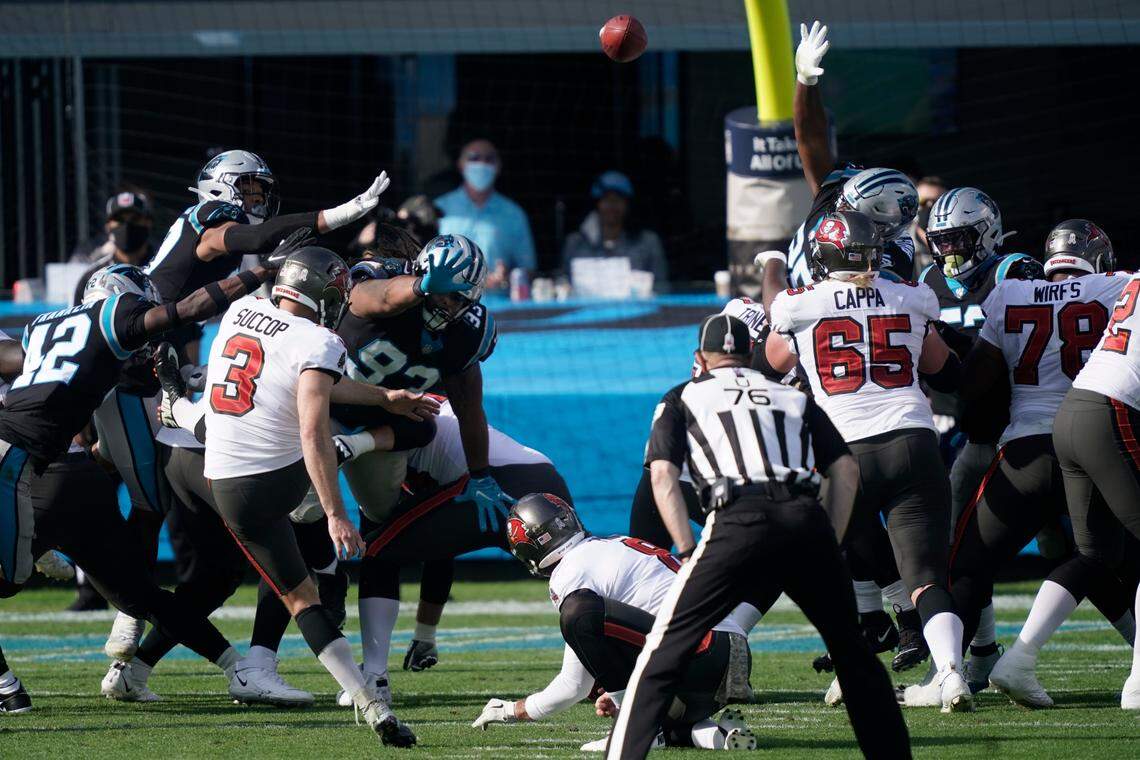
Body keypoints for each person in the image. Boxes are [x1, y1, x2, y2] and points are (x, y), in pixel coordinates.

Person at [606, 314, 910, 759]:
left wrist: (686, 548)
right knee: (853, 655)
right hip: (804, 517)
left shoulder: (683, 396)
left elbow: (662, 475)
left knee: (662, 655)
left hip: (738, 519)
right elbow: (845, 470)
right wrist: (830, 538)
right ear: (750, 355)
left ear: (700, 358)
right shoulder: (791, 395)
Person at [0, 256, 283, 698]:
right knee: (140, 589)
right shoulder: (109, 324)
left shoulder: (43, 328)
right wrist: (258, 273)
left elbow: (32, 378)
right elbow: (183, 313)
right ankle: (237, 667)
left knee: (27, 581)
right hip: (58, 471)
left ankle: (9, 683)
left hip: (36, 470)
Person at [200, 246, 417, 746]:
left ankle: (372, 708)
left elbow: (307, 380)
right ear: (324, 295)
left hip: (221, 478)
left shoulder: (241, 310)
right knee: (330, 452)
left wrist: (383, 397)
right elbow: (312, 428)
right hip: (272, 479)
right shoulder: (319, 339)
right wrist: (337, 513)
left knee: (303, 600)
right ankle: (326, 562)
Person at [765, 211, 972, 713]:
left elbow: (771, 364)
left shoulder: (798, 304)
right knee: (926, 574)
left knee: (833, 568)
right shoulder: (910, 296)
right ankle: (951, 673)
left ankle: (854, 665)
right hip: (912, 440)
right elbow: (943, 371)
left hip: (844, 452)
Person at [947, 219, 1135, 695]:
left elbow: (973, 384)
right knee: (1103, 556)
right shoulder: (1118, 286)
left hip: (1025, 451)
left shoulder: (1009, 294)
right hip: (1096, 440)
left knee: (969, 562)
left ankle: (946, 673)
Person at [335, 234, 511, 695]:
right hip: (323, 403)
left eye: (457, 297)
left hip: (387, 427)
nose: (447, 304)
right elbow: (370, 299)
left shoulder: (468, 331)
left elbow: (470, 408)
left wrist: (481, 474)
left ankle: (386, 658)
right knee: (304, 520)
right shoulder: (384, 279)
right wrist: (418, 288)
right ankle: (267, 655)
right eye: (442, 292)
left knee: (381, 529)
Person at [473, 493, 757, 752]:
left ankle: (632, 729)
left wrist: (512, 711)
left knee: (579, 615)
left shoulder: (570, 571)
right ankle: (712, 735)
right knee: (593, 642)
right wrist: (511, 710)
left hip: (702, 651)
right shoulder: (610, 546)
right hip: (727, 656)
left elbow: (574, 683)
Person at [767, 20, 918, 291]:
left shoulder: (889, 259)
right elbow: (811, 139)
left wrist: (773, 267)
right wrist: (806, 81)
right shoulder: (839, 196)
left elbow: (779, 308)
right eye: (843, 202)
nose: (838, 210)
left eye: (849, 209)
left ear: (880, 229)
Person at [435, 139, 535, 287]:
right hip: (449, 299)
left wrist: (507, 277)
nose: (481, 164)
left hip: (499, 299)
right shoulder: (439, 209)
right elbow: (422, 266)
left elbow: (529, 270)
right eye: (474, 158)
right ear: (460, 165)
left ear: (498, 167)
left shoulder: (514, 214)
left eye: (489, 159)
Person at [561, 171, 668, 287]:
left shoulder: (648, 242)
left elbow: (661, 286)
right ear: (597, 204)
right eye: (606, 199)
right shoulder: (575, 243)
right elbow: (564, 285)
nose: (612, 205)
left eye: (618, 200)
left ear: (627, 205)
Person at [72, 190, 157, 305]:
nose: (127, 225)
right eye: (120, 220)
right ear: (108, 227)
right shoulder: (91, 277)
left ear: (148, 223)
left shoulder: (164, 267)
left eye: (135, 219)